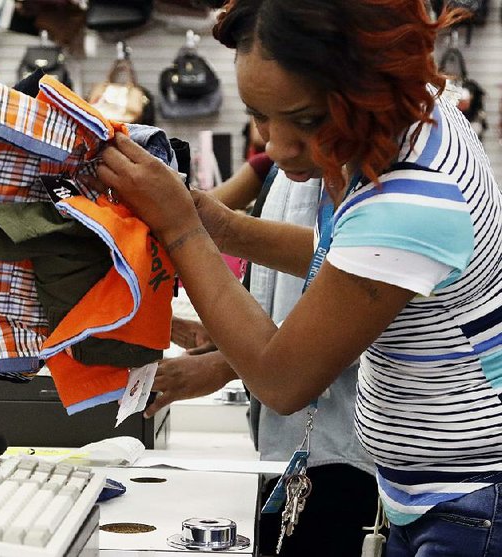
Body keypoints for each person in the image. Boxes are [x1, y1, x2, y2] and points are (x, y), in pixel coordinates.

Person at [85, 1, 502, 556]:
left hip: (467, 505)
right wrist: (225, 228)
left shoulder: (411, 193)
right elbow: (354, 264)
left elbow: (282, 381)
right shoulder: (418, 117)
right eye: (260, 116)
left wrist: (183, 230)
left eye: (306, 121)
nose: (278, 149)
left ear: (365, 85)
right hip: (433, 494)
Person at [160, 165, 378, 557]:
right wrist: (225, 340)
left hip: (342, 450)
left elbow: (357, 310)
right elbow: (296, 285)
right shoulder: (285, 173)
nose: (273, 144)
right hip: (294, 447)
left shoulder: (372, 177)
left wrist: (226, 363)